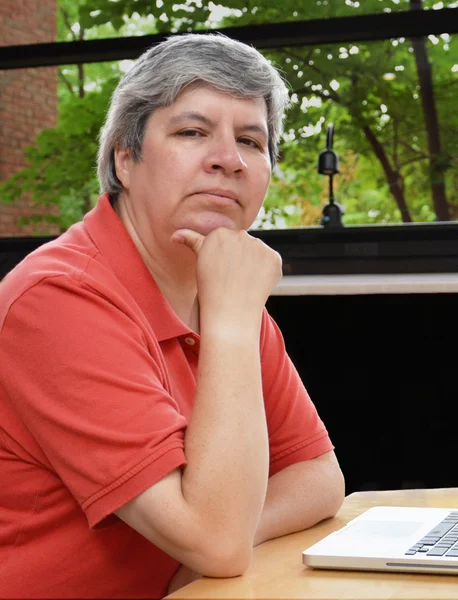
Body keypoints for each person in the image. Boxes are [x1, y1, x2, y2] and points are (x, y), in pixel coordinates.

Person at [0, 32, 345, 598]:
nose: (228, 160)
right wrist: (211, 546)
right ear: (125, 158)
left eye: (251, 141)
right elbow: (217, 542)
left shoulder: (222, 289)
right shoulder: (57, 297)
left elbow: (317, 477)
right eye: (192, 132)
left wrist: (204, 554)